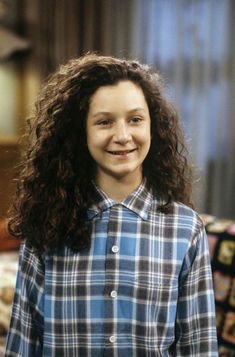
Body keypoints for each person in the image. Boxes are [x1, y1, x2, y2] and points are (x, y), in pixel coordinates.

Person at [5, 53, 218, 356]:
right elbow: (23, 342)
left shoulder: (186, 229)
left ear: (153, 126)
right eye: (104, 122)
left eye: (135, 119)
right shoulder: (46, 222)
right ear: (81, 132)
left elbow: (198, 347)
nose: (122, 136)